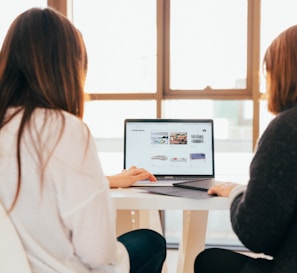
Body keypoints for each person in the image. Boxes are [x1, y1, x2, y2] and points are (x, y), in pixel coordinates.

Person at [0, 7, 166, 273]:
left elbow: (31, 186)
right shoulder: (65, 129)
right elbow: (97, 253)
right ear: (68, 69)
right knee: (150, 242)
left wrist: (105, 181)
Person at [194, 25, 297, 273]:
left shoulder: (287, 129)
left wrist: (237, 192)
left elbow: (256, 234)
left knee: (208, 262)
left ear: (282, 74)